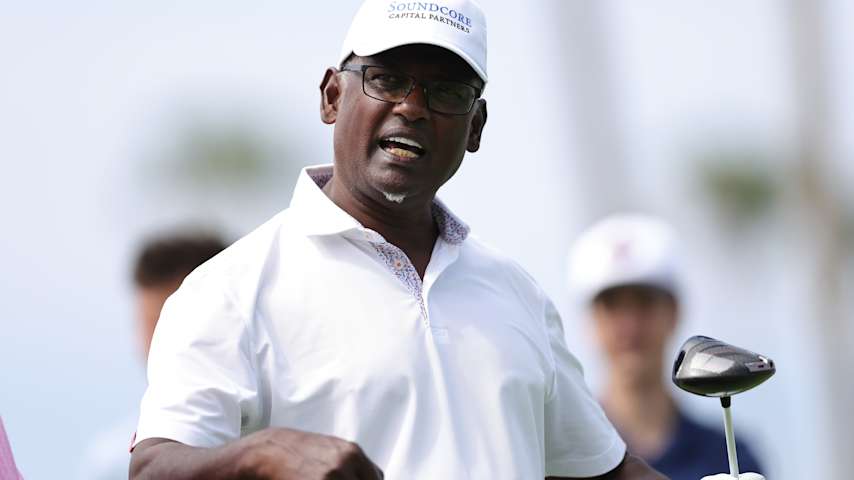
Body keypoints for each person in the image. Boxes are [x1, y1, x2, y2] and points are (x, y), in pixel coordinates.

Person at [129, 1, 666, 478]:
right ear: (332, 96)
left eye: (447, 92)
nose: (413, 106)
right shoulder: (230, 290)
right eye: (386, 79)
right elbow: (153, 467)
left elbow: (602, 470)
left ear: (476, 127)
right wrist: (264, 452)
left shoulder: (516, 292)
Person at [567, 214, 765, 480]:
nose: (629, 326)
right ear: (591, 320)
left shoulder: (729, 455)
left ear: (673, 312)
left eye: (644, 302)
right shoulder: (564, 456)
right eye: (612, 306)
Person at [78, 231, 227, 480]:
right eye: (148, 323)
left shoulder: (290, 431)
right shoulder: (113, 462)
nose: (156, 342)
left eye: (169, 322)